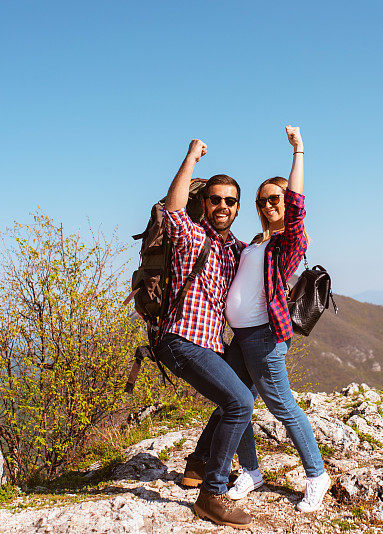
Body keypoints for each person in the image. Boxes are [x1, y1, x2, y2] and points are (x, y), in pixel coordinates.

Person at [184, 126, 331, 513]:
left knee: (282, 406)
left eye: (275, 199)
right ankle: (251, 471)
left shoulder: (288, 241)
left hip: (265, 337)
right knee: (236, 402)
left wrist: (298, 151)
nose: (268, 206)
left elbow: (297, 208)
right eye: (262, 201)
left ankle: (316, 475)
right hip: (242, 338)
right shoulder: (255, 242)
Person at [155, 139, 254, 529]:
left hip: (211, 344)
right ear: (205, 203)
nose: (223, 207)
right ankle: (211, 494)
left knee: (243, 385)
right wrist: (191, 157)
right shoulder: (191, 236)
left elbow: (267, 255)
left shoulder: (236, 250)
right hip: (181, 340)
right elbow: (172, 208)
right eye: (215, 199)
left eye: (230, 201)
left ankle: (197, 464)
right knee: (240, 404)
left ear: (237, 207)